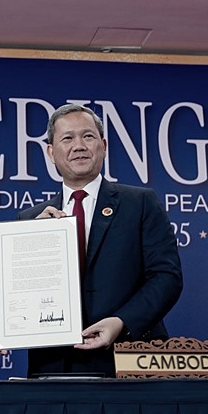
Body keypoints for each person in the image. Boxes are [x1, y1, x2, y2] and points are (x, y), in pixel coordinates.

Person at [17, 104, 183, 377]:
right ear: (51, 153)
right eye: (67, 138)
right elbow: (19, 292)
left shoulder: (140, 203)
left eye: (88, 136)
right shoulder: (31, 219)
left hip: (128, 357)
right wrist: (33, 242)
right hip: (53, 364)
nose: (79, 146)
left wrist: (122, 322)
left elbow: (167, 277)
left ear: (103, 146)